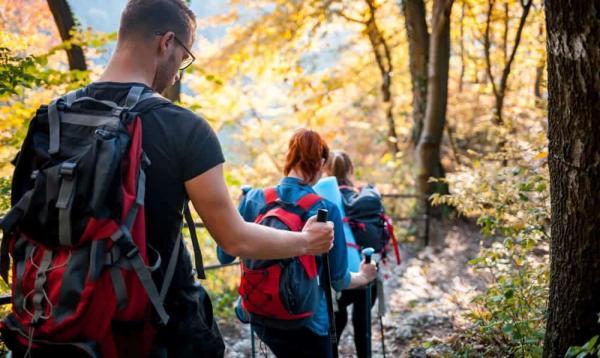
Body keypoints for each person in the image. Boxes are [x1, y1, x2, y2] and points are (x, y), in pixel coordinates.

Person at [9, 1, 333, 356]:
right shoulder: (183, 128)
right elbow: (235, 238)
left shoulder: (50, 120)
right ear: (166, 42)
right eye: (183, 57)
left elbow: (21, 225)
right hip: (155, 333)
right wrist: (306, 242)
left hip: (51, 326)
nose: (178, 72)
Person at [218, 129, 377, 358]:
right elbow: (339, 280)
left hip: (259, 313)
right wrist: (364, 275)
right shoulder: (324, 209)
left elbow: (225, 256)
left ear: (289, 157)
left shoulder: (253, 199)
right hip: (307, 321)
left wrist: (239, 207)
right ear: (322, 162)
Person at [326, 150, 378, 358]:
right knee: (362, 325)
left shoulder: (324, 200)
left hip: (338, 276)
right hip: (366, 270)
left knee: (336, 323)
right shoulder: (363, 199)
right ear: (351, 170)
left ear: (324, 169)